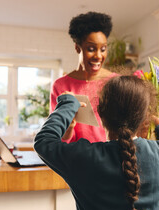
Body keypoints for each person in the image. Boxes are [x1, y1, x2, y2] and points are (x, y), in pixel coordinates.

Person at [34, 75, 159, 210]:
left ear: (100, 112)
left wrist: (68, 105)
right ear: (144, 117)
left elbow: (44, 141)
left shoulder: (84, 158)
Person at [50, 11, 118, 143]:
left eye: (103, 49)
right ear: (77, 48)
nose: (98, 56)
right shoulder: (61, 86)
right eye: (91, 49)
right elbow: (56, 137)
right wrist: (68, 127)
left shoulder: (116, 82)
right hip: (75, 159)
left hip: (109, 158)